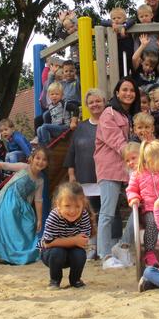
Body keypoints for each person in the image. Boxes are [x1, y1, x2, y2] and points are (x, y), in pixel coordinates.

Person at [94, 76, 140, 259]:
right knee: (107, 212)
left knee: (139, 205)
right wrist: (136, 156)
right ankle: (104, 253)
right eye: (125, 90)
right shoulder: (109, 113)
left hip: (128, 165)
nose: (128, 93)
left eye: (132, 90)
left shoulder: (131, 116)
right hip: (110, 167)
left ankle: (122, 245)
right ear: (117, 93)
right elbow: (116, 141)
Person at [0, 147, 49, 265]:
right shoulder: (24, 167)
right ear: (31, 159)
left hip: (22, 202)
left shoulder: (40, 180)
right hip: (8, 198)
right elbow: (5, 165)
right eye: (38, 158)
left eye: (44, 160)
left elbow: (38, 200)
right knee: (9, 218)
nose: (40, 161)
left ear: (47, 163)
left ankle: (18, 252)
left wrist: (39, 219)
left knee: (29, 221)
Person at [64, 88, 107, 258]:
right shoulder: (80, 127)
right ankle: (92, 246)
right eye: (91, 102)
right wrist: (71, 174)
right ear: (87, 106)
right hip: (85, 177)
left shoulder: (110, 124)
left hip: (106, 176)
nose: (95, 104)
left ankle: (107, 246)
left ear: (104, 102)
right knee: (89, 214)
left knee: (108, 213)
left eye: (98, 101)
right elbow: (72, 152)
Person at [127, 140, 159, 268]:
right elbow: (131, 190)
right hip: (149, 209)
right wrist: (134, 199)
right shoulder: (138, 174)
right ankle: (149, 254)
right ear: (151, 160)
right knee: (152, 223)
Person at [39, 182, 93, 289]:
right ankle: (54, 281)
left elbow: (83, 241)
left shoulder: (84, 215)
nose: (72, 211)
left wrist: (75, 242)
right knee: (57, 251)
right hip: (50, 253)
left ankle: (75, 280)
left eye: (77, 206)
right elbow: (48, 243)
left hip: (71, 252)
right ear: (58, 205)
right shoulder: (53, 216)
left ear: (83, 204)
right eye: (67, 206)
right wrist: (74, 240)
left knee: (80, 254)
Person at [102, 7, 136, 76]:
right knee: (119, 73)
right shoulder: (112, 26)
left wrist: (124, 27)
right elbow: (102, 22)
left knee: (131, 71)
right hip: (117, 55)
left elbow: (133, 20)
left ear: (124, 18)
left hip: (129, 54)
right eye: (114, 18)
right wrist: (111, 24)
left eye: (119, 18)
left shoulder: (127, 24)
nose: (116, 20)